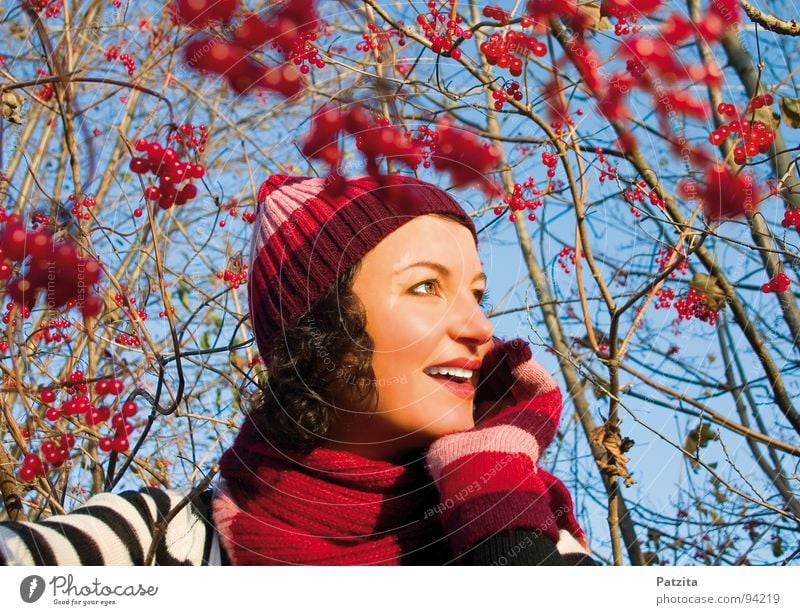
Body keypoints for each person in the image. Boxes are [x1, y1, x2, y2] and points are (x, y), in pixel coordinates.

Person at [0, 173, 597, 566]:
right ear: (320, 326)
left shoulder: (509, 520)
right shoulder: (158, 543)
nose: (481, 328)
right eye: (425, 287)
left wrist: (509, 541)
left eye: (476, 293)